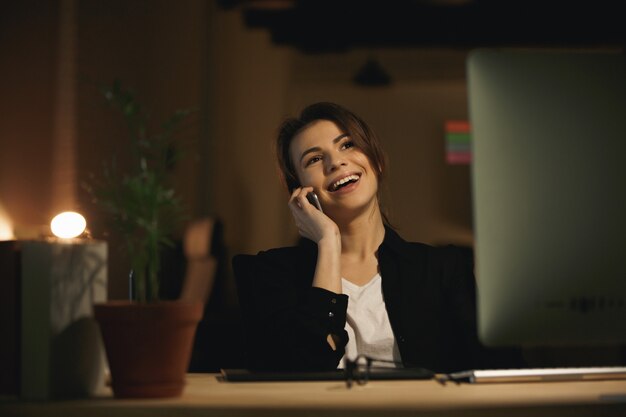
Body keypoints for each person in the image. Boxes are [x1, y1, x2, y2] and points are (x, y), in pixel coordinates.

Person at [232, 102, 522, 373]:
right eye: (315, 159)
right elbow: (302, 370)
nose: (336, 163)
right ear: (301, 191)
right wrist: (328, 242)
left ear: (377, 161)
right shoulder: (270, 273)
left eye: (347, 145)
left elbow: (495, 375)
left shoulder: (443, 269)